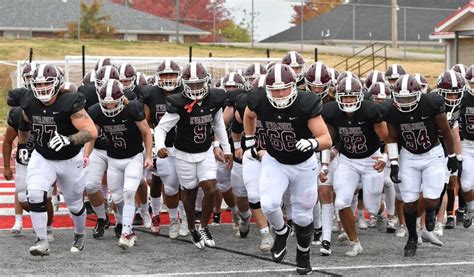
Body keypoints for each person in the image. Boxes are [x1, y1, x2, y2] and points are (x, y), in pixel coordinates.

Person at [243, 63, 332, 274]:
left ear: (295, 86)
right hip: (275, 160)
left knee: (303, 216)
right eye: (275, 90)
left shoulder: (306, 103)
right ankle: (282, 232)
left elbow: (326, 139)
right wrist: (249, 139)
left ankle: (303, 253)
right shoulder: (260, 100)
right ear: (267, 89)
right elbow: (248, 115)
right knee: (269, 203)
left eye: (284, 88)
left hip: (304, 164)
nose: (280, 94)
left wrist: (312, 143)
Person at [19, 64, 98, 256]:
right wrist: (23, 146)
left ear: (57, 83)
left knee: (74, 204)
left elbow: (92, 131)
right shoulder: (29, 101)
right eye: (38, 84)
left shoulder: (69, 102)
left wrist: (69, 139)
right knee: (35, 194)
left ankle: (79, 234)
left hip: (70, 158)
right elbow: (24, 123)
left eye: (47, 84)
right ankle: (41, 241)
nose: (42, 89)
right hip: (43, 156)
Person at [154, 62, 232, 249]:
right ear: (185, 84)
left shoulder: (215, 98)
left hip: (205, 152)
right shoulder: (179, 102)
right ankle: (191, 227)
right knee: (188, 192)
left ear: (207, 82)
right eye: (191, 85)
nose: (196, 88)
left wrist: (226, 148)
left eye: (199, 84)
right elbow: (161, 128)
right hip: (183, 154)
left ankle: (204, 226)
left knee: (211, 188)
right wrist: (160, 147)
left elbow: (219, 125)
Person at [385, 74, 458, 257]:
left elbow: (446, 132)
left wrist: (452, 155)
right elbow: (392, 138)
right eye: (401, 98)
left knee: (431, 199)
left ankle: (431, 211)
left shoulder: (430, 104)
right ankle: (412, 237)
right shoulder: (392, 111)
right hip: (409, 156)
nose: (405, 101)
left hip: (432, 154)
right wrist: (394, 163)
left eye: (409, 97)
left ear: (418, 94)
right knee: (409, 203)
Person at [86, 79, 153, 249]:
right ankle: (124, 225)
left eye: (112, 103)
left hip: (133, 157)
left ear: (121, 99)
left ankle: (127, 232)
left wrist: (149, 156)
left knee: (129, 191)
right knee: (117, 198)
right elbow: (93, 135)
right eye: (105, 103)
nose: (109, 107)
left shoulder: (132, 108)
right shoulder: (96, 112)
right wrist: (86, 155)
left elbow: (146, 133)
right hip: (114, 159)